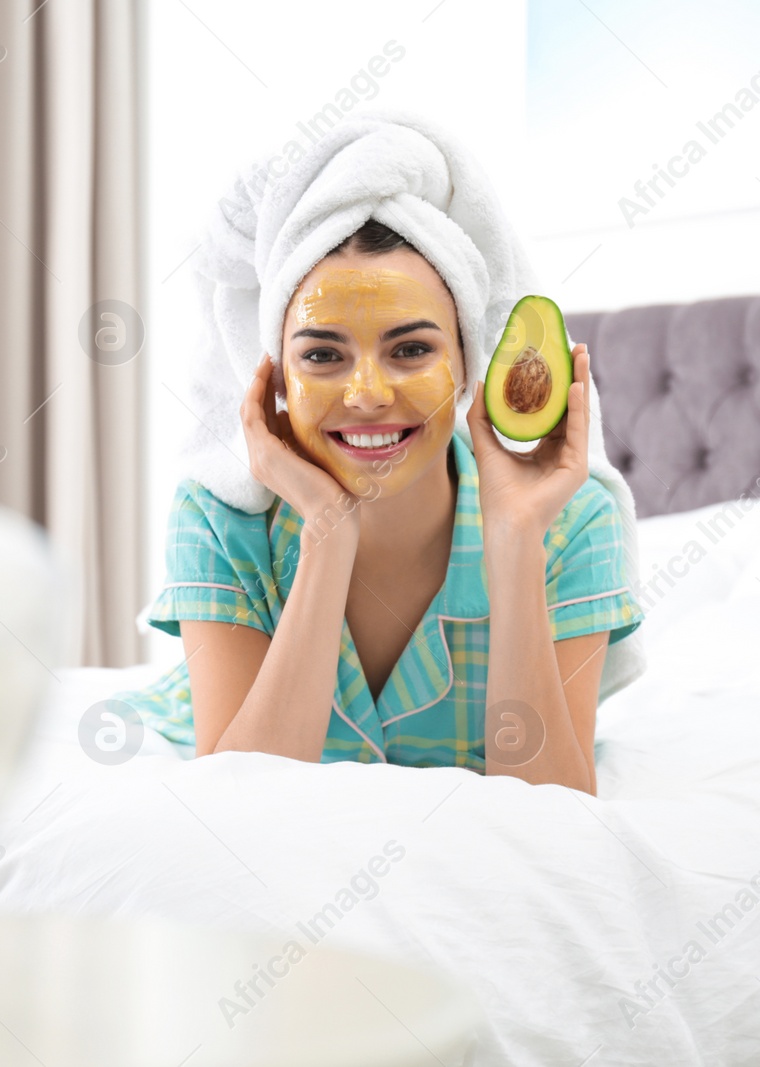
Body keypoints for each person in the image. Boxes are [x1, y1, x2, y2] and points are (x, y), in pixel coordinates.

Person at [111, 218, 641, 794]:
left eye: (411, 349)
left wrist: (516, 540)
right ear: (276, 380)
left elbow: (557, 813)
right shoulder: (215, 516)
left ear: (470, 362)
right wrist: (327, 533)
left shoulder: (574, 521)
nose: (367, 394)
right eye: (321, 355)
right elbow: (239, 799)